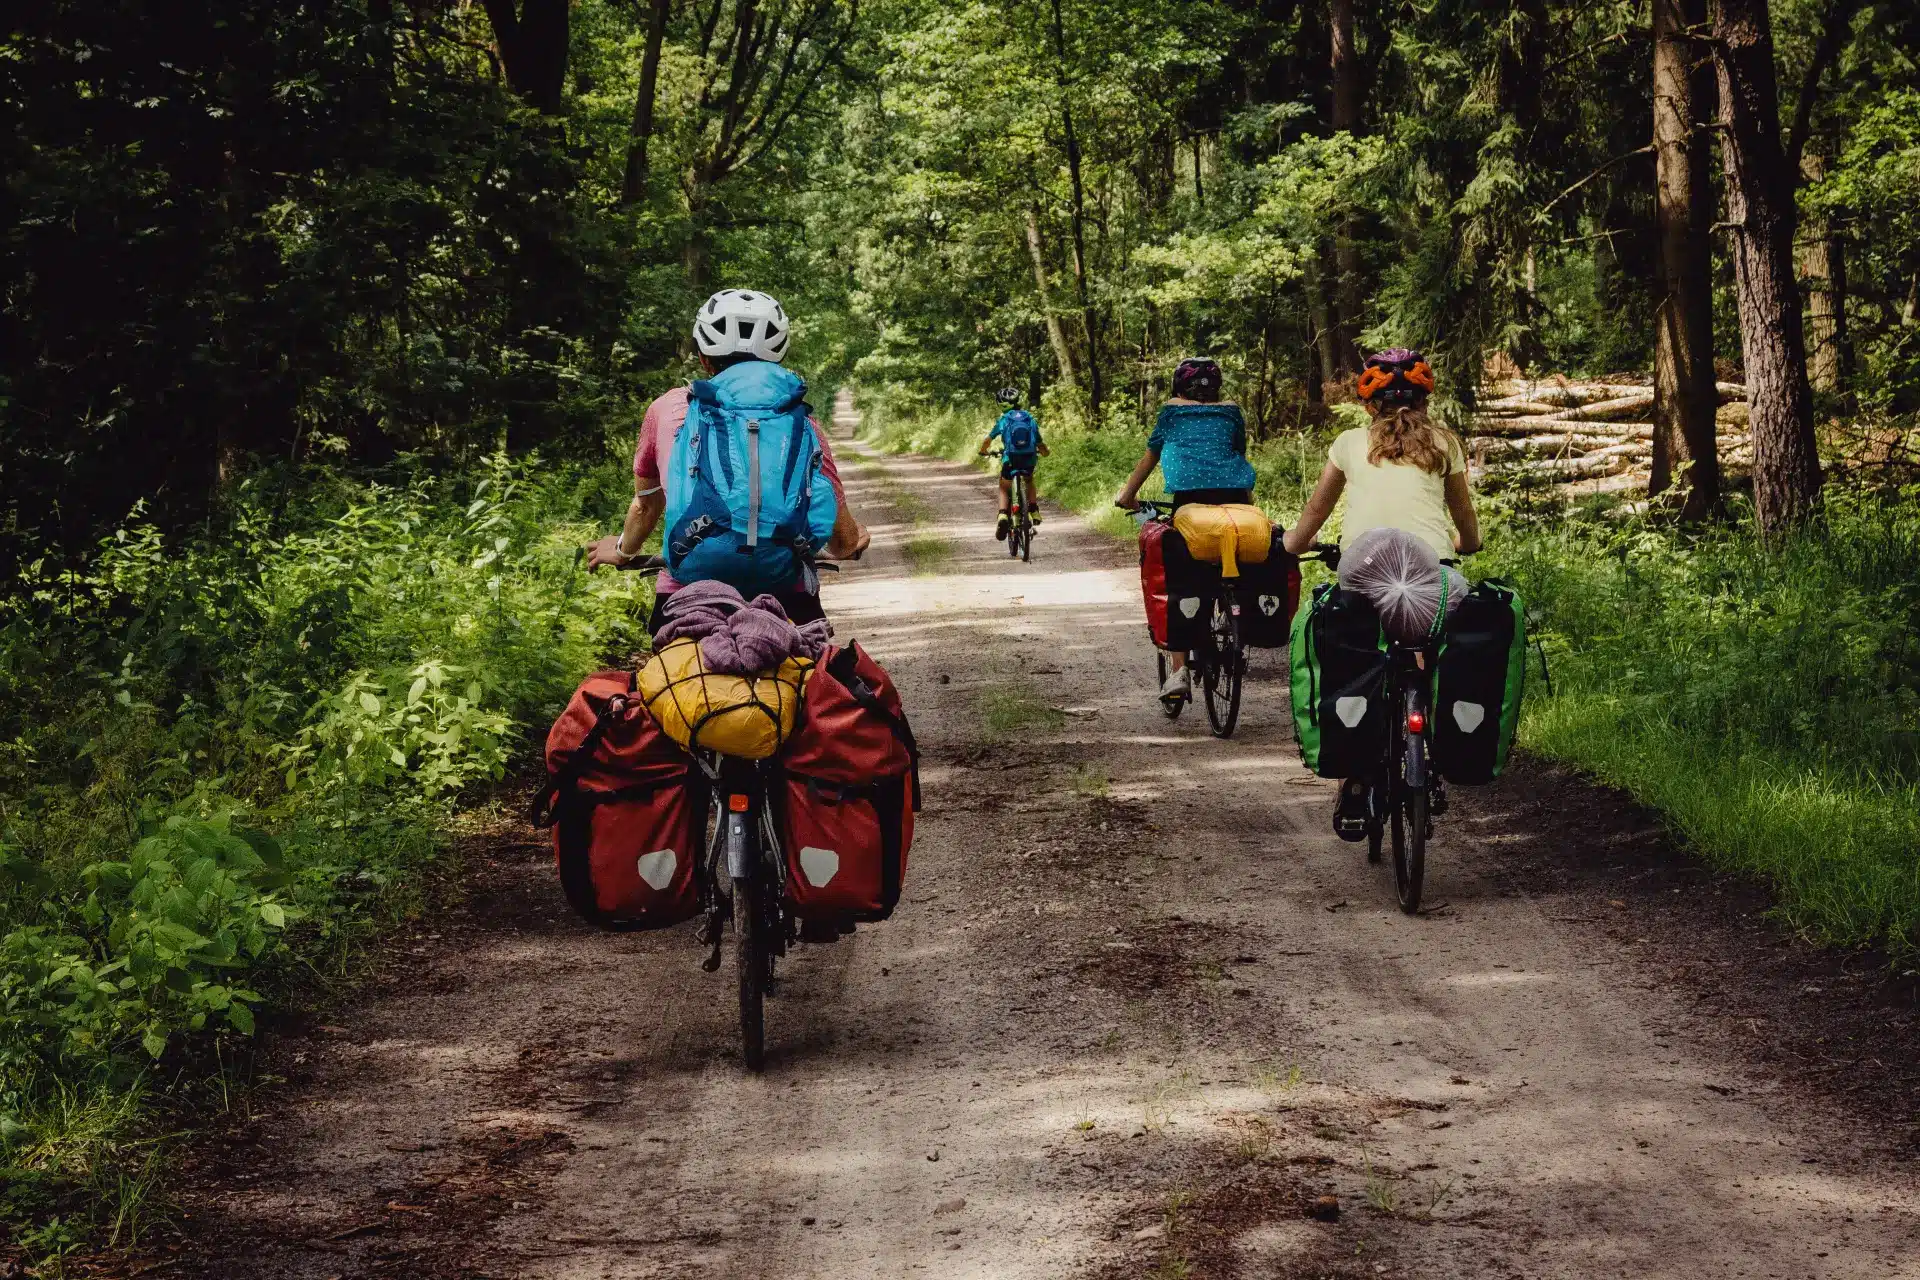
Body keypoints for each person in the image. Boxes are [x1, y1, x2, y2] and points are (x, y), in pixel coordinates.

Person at [1279, 347, 1482, 840]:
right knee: (1434, 654)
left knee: (1357, 659)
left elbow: (1315, 511)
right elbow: (1466, 524)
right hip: (1434, 576)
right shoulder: (1445, 444)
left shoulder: (1350, 442)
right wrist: (1462, 547)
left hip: (1365, 577)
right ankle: (1429, 752)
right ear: (1425, 399)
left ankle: (1357, 775)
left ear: (1369, 405)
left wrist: (1290, 547)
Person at [585, 289, 870, 630]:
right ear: (776, 358)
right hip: (786, 600)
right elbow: (841, 539)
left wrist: (622, 550)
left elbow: (646, 507)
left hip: (688, 595)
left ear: (705, 359)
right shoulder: (800, 423)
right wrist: (853, 541)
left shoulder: (667, 410)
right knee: (825, 677)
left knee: (663, 681)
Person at [1112, 357, 1258, 702]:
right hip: (1237, 498)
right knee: (1241, 555)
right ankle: (1236, 612)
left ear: (1179, 387)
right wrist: (1249, 505)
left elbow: (1150, 458)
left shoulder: (1171, 412)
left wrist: (1127, 496)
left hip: (1190, 501)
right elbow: (1236, 455)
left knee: (1180, 578)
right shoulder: (1232, 412)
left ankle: (1179, 673)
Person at [978, 388, 1050, 540]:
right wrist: (1045, 452)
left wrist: (983, 451)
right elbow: (1039, 442)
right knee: (1029, 479)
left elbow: (987, 440)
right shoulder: (1029, 418)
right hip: (1029, 458)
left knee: (1004, 486)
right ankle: (1033, 509)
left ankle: (1003, 515)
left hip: (1010, 458)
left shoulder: (1004, 420)